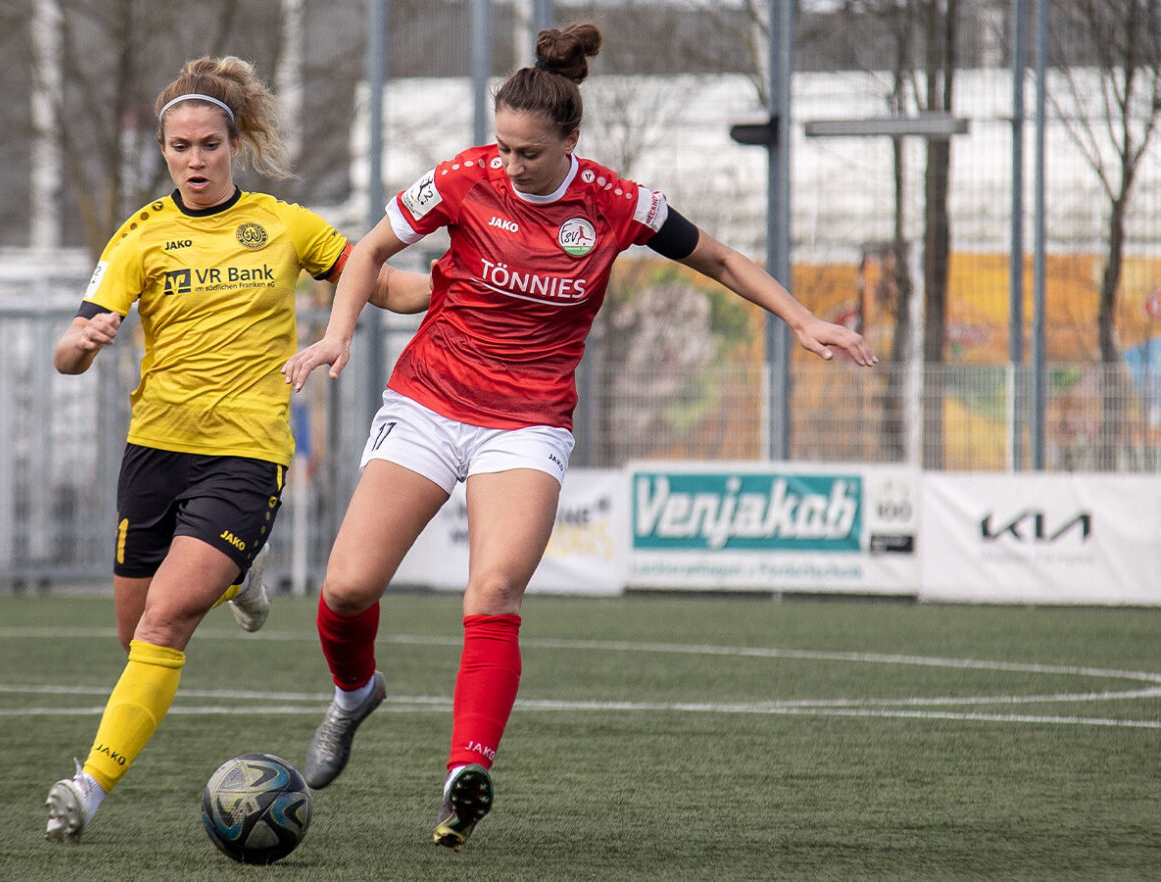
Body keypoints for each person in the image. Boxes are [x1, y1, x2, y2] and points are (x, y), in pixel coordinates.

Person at [281, 23, 877, 852]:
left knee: (492, 590)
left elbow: (723, 260)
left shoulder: (616, 202)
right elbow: (374, 247)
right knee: (347, 589)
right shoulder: (461, 179)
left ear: (570, 141)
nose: (509, 164)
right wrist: (340, 333)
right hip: (429, 400)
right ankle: (354, 693)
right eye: (501, 147)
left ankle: (464, 773)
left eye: (527, 152)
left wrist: (803, 319)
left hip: (526, 422)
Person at [43, 55, 430, 844]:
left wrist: (473, 275)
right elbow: (67, 352)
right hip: (153, 452)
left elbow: (385, 286)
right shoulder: (140, 237)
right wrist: (81, 342)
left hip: (245, 455)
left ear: (233, 145)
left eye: (209, 145)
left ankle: (88, 788)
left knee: (162, 625)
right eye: (180, 147)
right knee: (135, 635)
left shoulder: (286, 225)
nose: (195, 159)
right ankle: (236, 577)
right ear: (163, 152)